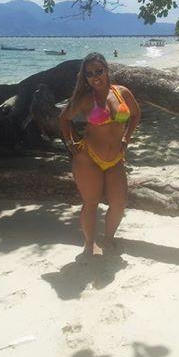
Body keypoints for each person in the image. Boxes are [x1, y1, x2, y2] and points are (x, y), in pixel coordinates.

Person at [59, 52, 141, 256]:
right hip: (88, 158)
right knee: (91, 203)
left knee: (119, 204)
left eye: (98, 71)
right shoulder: (85, 99)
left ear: (106, 69)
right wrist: (69, 143)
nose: (95, 77)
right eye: (89, 74)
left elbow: (136, 114)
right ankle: (89, 243)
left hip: (115, 159)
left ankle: (108, 238)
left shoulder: (122, 93)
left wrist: (126, 138)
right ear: (85, 77)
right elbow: (64, 119)